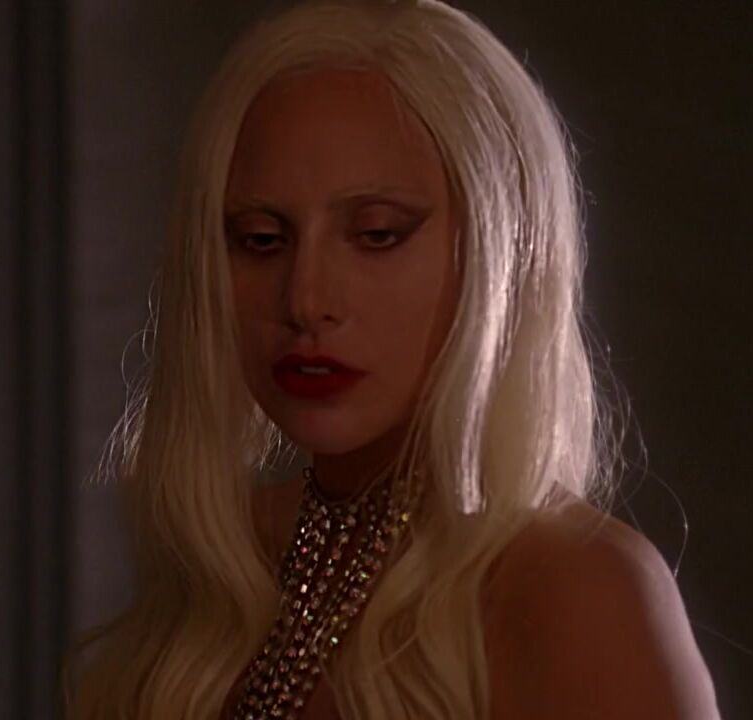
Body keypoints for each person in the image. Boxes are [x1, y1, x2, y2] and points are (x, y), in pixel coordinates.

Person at [62, 1, 721, 718]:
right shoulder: (229, 568)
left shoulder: (574, 589)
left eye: (377, 235)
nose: (306, 299)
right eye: (261, 240)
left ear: (499, 253)